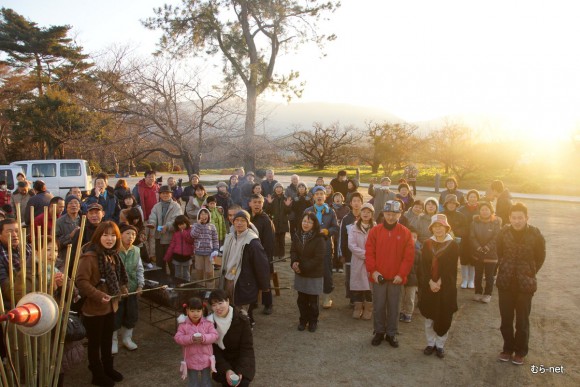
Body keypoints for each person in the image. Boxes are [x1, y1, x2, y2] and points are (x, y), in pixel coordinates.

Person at [76, 221, 129, 386]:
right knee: (94, 342)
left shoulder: (112, 254)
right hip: (94, 307)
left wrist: (122, 287)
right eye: (105, 235)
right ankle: (97, 373)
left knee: (107, 339)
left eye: (113, 235)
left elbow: (116, 278)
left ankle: (108, 368)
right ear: (98, 236)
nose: (110, 238)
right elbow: (81, 282)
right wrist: (98, 295)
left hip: (110, 306)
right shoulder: (89, 257)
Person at [495, 202, 545, 365]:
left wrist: (530, 270)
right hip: (505, 282)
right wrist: (506, 267)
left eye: (520, 218)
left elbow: (540, 256)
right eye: (514, 218)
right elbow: (499, 252)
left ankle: (520, 351)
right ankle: (508, 348)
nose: (517, 221)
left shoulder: (535, 234)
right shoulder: (503, 232)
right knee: (506, 319)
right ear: (509, 218)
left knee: (522, 320)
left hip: (525, 284)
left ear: (526, 218)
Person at [365, 200, 415, 347]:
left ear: (400, 214)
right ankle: (379, 332)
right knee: (379, 305)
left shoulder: (405, 233)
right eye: (388, 214)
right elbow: (369, 252)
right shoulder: (375, 231)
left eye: (394, 214)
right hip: (378, 277)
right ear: (383, 214)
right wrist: (373, 271)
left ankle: (392, 333)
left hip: (396, 279)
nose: (391, 217)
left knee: (394, 306)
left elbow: (409, 256)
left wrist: (401, 274)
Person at [218, 210, 270, 326]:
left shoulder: (252, 242)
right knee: (230, 306)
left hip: (244, 281)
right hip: (229, 279)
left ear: (248, 223)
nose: (239, 223)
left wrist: (264, 286)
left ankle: (246, 329)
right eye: (237, 220)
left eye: (243, 221)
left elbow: (261, 265)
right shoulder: (230, 237)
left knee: (242, 310)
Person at [418, 214, 459, 359]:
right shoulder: (427, 244)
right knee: (430, 316)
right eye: (435, 226)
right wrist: (430, 281)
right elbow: (424, 265)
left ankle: (440, 345)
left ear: (446, 227)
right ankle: (430, 343)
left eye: (441, 226)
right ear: (431, 228)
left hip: (445, 287)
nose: (438, 229)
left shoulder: (452, 245)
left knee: (444, 315)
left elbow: (451, 269)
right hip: (429, 286)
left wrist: (439, 282)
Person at [207, 289, 255, 387]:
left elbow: (247, 348)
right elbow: (213, 351)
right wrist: (227, 370)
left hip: (239, 359)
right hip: (222, 360)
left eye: (220, 303)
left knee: (243, 383)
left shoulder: (242, 320)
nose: (218, 308)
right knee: (228, 382)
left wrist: (240, 371)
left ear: (228, 301)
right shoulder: (209, 323)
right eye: (214, 305)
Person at [304, 186, 339, 309]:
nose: (319, 196)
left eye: (321, 194)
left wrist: (327, 231)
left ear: (325, 196)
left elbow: (335, 228)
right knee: (310, 269)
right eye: (317, 194)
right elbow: (302, 226)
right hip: (310, 245)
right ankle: (311, 295)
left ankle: (326, 296)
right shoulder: (308, 210)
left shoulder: (330, 211)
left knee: (326, 270)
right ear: (313, 196)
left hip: (326, 245)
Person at [291, 212, 325, 332]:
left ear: (314, 224)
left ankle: (313, 321)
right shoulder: (297, 235)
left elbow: (319, 258)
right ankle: (303, 320)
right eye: (304, 221)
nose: (306, 224)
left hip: (314, 274)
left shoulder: (319, 238)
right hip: (300, 272)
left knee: (313, 301)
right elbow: (293, 251)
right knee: (301, 300)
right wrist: (294, 262)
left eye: (309, 222)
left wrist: (303, 267)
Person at [113, 223, 144, 353]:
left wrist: (140, 285)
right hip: (116, 291)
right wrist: (119, 287)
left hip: (132, 288)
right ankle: (113, 341)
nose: (131, 237)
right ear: (120, 235)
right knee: (115, 316)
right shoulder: (114, 250)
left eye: (133, 234)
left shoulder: (136, 250)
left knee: (131, 314)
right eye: (127, 233)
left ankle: (127, 339)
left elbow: (139, 269)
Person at [175, 297, 219, 387]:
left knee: (206, 381)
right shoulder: (183, 325)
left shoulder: (208, 323)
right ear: (187, 311)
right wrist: (190, 339)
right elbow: (178, 338)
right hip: (191, 360)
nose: (195, 314)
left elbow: (214, 335)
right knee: (193, 383)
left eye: (198, 311)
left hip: (206, 359)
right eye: (192, 311)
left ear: (202, 310)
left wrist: (204, 338)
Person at [248, 194, 275, 315]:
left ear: (263, 204)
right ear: (250, 204)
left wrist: (266, 259)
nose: (257, 204)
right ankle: (253, 301)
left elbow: (269, 243)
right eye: (255, 202)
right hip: (249, 255)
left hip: (263, 256)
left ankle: (268, 304)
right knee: (250, 279)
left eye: (259, 202)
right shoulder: (247, 218)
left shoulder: (266, 220)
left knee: (264, 281)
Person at [470, 201, 502, 303]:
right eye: (482, 210)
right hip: (478, 252)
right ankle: (478, 292)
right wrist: (478, 247)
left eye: (486, 210)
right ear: (479, 211)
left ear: (491, 211)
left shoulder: (496, 222)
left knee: (489, 276)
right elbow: (472, 236)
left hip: (491, 253)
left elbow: (497, 237)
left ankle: (488, 294)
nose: (484, 212)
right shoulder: (474, 222)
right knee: (478, 274)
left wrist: (488, 247)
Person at [147, 185, 183, 275]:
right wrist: (152, 223)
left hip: (171, 238)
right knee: (160, 262)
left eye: (167, 193)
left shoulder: (176, 206)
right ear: (160, 195)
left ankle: (174, 282)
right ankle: (161, 283)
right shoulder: (156, 206)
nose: (165, 195)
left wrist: (167, 226)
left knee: (172, 263)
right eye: (163, 193)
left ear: (171, 194)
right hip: (158, 238)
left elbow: (176, 219)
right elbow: (153, 216)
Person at [348, 203, 375, 320]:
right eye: (364, 211)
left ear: (372, 214)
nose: (366, 214)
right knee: (358, 285)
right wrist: (366, 254)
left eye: (368, 212)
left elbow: (378, 244)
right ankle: (358, 307)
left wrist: (370, 256)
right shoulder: (354, 227)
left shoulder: (376, 227)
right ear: (360, 213)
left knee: (370, 286)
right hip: (358, 260)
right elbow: (351, 245)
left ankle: (368, 308)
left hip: (372, 261)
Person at [0, 219, 33, 308]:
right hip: (14, 301)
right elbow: (4, 285)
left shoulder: (27, 247)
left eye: (17, 231)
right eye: (9, 232)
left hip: (35, 292)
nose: (14, 235)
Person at [338, 192, 364, 306]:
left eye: (359, 201)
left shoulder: (367, 217)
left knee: (362, 276)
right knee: (350, 277)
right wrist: (341, 254)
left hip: (363, 254)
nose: (356, 203)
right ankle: (352, 299)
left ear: (362, 203)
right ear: (350, 203)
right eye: (354, 201)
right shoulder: (346, 219)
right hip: (349, 254)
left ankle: (362, 299)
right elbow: (341, 237)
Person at [441, 194, 470, 288]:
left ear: (456, 204)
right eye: (449, 203)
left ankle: (451, 284)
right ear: (446, 204)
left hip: (455, 245)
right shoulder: (441, 215)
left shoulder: (461, 216)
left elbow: (465, 230)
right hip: (441, 244)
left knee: (453, 266)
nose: (451, 205)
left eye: (453, 203)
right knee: (441, 264)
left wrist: (454, 232)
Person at [69, 203, 105, 276]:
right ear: (87, 215)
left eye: (97, 213)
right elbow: (74, 253)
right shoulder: (81, 231)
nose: (94, 215)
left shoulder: (106, 230)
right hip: (86, 268)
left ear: (103, 214)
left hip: (104, 266)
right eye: (91, 213)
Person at [132, 170, 159, 263]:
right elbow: (134, 202)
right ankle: (146, 256)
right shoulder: (138, 188)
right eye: (149, 176)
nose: (151, 178)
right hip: (144, 217)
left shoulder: (157, 188)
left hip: (155, 218)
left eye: (153, 177)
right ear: (145, 177)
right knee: (144, 237)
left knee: (153, 236)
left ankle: (153, 255)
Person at [191, 208, 219, 288]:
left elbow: (215, 239)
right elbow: (193, 235)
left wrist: (216, 249)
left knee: (210, 272)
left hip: (210, 254)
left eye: (205, 214)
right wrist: (199, 225)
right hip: (198, 253)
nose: (204, 216)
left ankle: (210, 290)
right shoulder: (195, 225)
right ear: (199, 216)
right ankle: (201, 289)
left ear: (208, 216)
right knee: (199, 272)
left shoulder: (212, 226)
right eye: (202, 214)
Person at [265, 183, 292, 262]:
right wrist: (269, 203)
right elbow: (267, 210)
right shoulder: (271, 198)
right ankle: (275, 255)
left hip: (283, 222)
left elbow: (288, 212)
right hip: (274, 222)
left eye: (280, 187)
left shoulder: (285, 198)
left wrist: (287, 206)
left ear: (282, 189)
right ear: (274, 189)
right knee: (274, 239)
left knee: (282, 240)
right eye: (277, 187)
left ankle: (282, 255)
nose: (278, 189)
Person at [164, 215, 195, 281]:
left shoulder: (190, 231)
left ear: (186, 223)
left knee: (186, 274)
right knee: (177, 274)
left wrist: (184, 233)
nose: (181, 226)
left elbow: (191, 241)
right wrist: (167, 256)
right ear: (177, 225)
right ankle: (177, 287)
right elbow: (172, 246)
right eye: (179, 225)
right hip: (176, 257)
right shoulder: (176, 234)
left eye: (183, 224)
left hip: (187, 257)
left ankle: (186, 288)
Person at [55, 195, 81, 264]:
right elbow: (56, 242)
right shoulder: (59, 221)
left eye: (76, 203)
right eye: (70, 203)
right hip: (65, 257)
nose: (73, 205)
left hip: (80, 256)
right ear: (66, 207)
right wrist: (70, 236)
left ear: (79, 206)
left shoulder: (83, 220)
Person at [330, 192, 349, 273]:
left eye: (339, 197)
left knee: (340, 248)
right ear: (333, 199)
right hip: (333, 231)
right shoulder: (329, 208)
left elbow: (348, 219)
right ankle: (334, 265)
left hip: (342, 231)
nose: (337, 198)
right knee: (333, 248)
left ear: (342, 199)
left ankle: (340, 266)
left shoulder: (346, 208)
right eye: (336, 197)